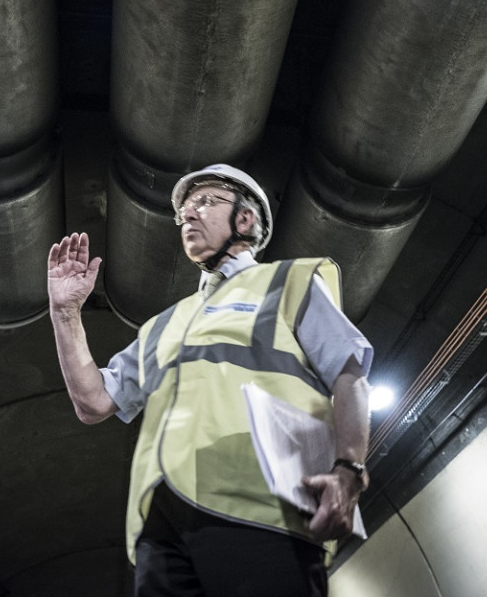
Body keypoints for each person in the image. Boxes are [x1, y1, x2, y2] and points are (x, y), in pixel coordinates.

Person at [48, 163, 372, 596]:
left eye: (205, 201)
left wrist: (349, 470)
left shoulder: (288, 282)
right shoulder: (166, 323)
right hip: (164, 529)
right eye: (183, 212)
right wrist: (65, 314)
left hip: (264, 510)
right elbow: (93, 402)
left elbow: (350, 375)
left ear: (245, 218)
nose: (189, 216)